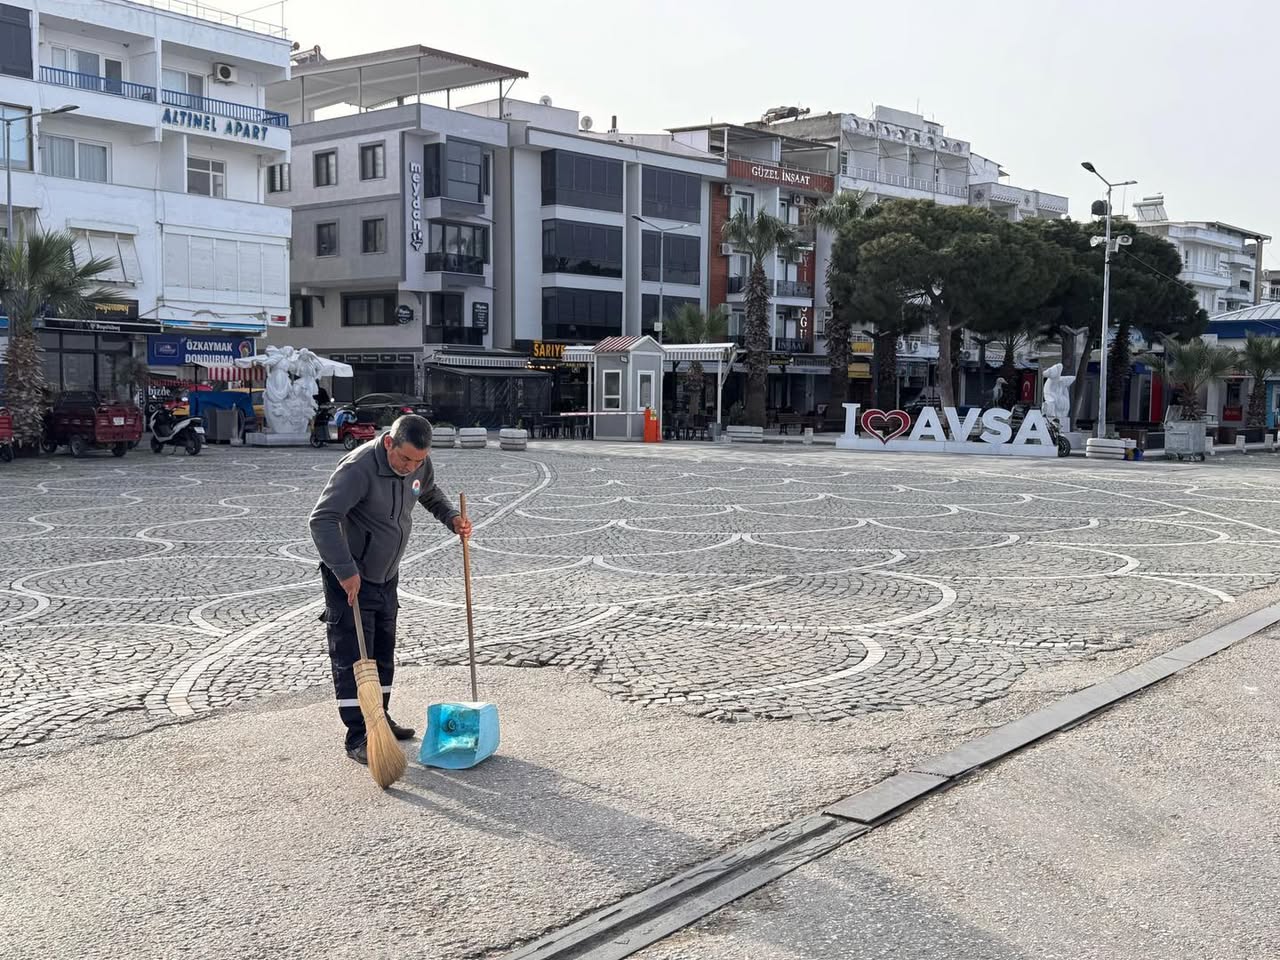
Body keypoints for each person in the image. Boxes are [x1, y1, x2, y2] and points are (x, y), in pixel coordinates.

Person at [309, 414, 473, 764]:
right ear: (389, 443)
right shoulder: (358, 469)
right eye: (405, 459)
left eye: (418, 460)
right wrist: (345, 570)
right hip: (350, 578)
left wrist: (451, 518)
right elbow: (322, 519)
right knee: (355, 658)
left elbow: (428, 493)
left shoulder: (418, 465)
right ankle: (358, 735)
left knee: (383, 651)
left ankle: (379, 719)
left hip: (387, 575)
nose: (410, 467)